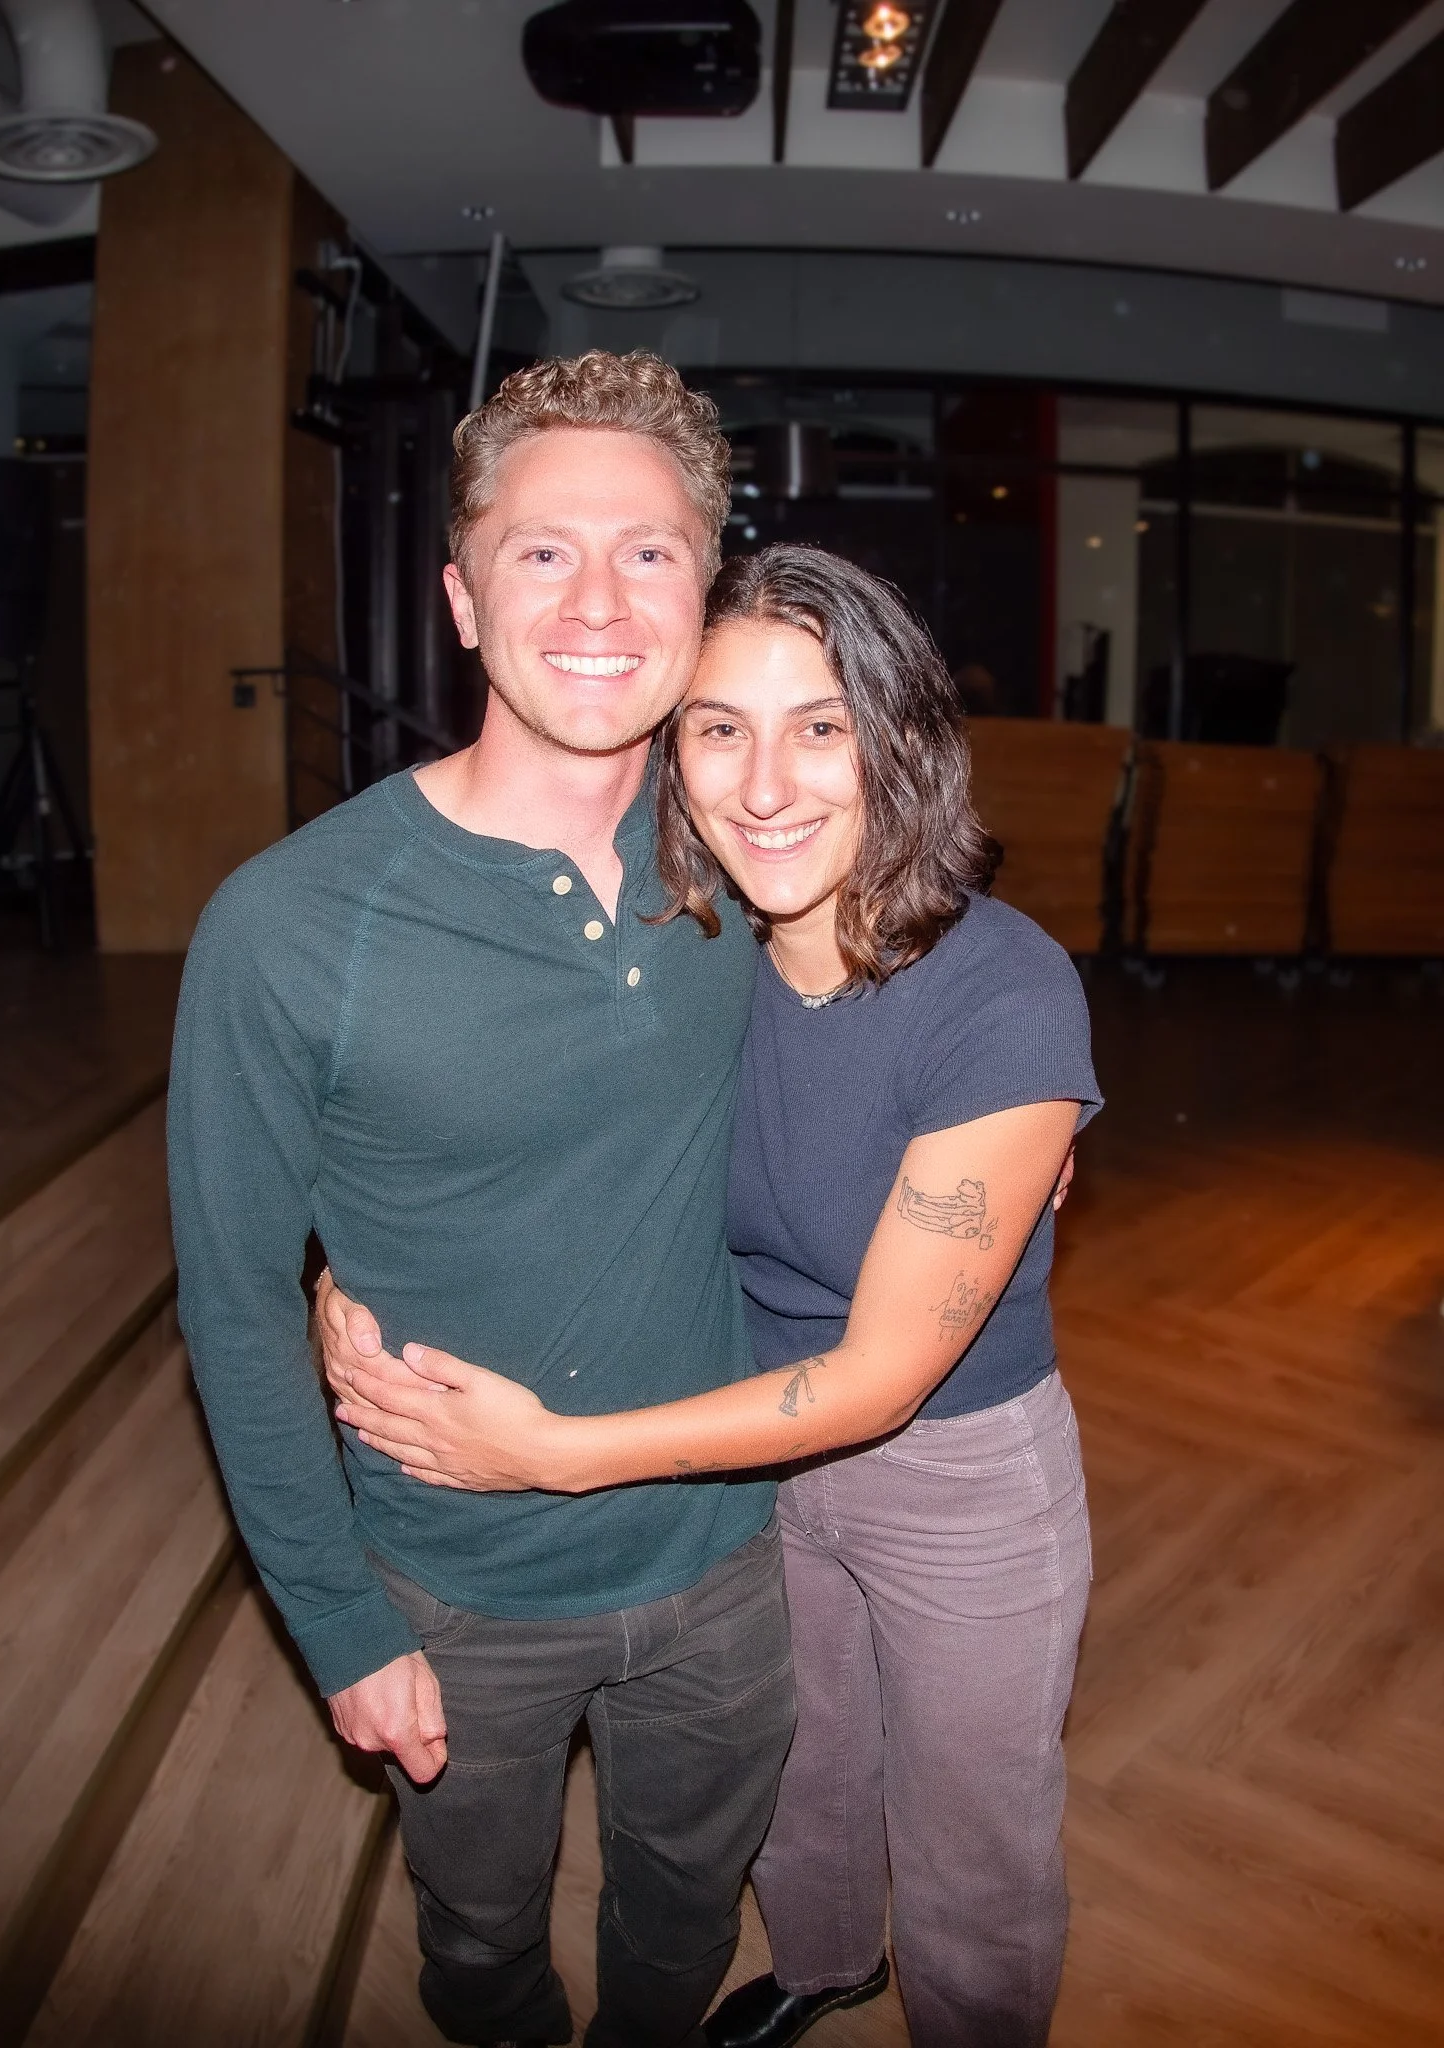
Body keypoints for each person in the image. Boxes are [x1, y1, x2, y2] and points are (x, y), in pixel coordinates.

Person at [320, 544, 1102, 2048]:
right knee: (803, 1766)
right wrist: (345, 1269)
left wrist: (555, 1452)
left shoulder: (1001, 992)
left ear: (899, 735)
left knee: (973, 1829)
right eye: (720, 728)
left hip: (958, 1471)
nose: (767, 786)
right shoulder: (688, 953)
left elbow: (881, 1380)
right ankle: (821, 1960)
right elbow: (473, 1122)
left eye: (821, 725)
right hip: (739, 1445)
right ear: (669, 752)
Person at [167, 352, 798, 2048]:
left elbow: (925, 982)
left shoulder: (757, 848)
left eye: (650, 551)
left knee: (681, 1920)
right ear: (461, 595)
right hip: (455, 1587)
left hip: (728, 1553)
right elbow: (231, 1297)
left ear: (703, 589)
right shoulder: (288, 926)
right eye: (542, 552)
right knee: (482, 1944)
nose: (599, 600)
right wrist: (338, 1620)